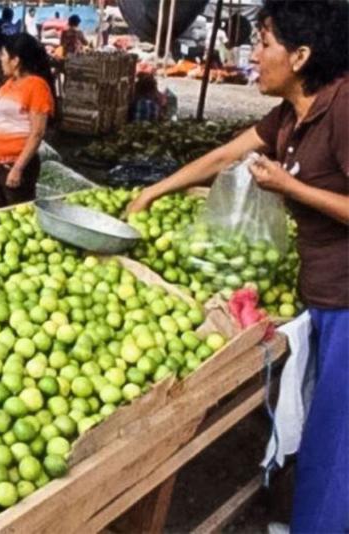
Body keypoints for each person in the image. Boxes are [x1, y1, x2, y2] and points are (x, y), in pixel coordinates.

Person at [128, 2, 348, 531]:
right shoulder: (291, 115)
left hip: (347, 297)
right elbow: (225, 155)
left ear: (300, 55)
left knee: (338, 438)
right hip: (321, 291)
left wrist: (289, 187)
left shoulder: (343, 107)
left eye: (264, 42)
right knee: (323, 422)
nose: (253, 55)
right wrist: (153, 193)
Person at [0, 33, 55, 208]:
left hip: (14, 163)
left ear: (15, 60)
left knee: (16, 216)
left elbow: (37, 133)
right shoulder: (10, 83)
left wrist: (18, 168)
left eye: (3, 55)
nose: (1, 59)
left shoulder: (36, 86)